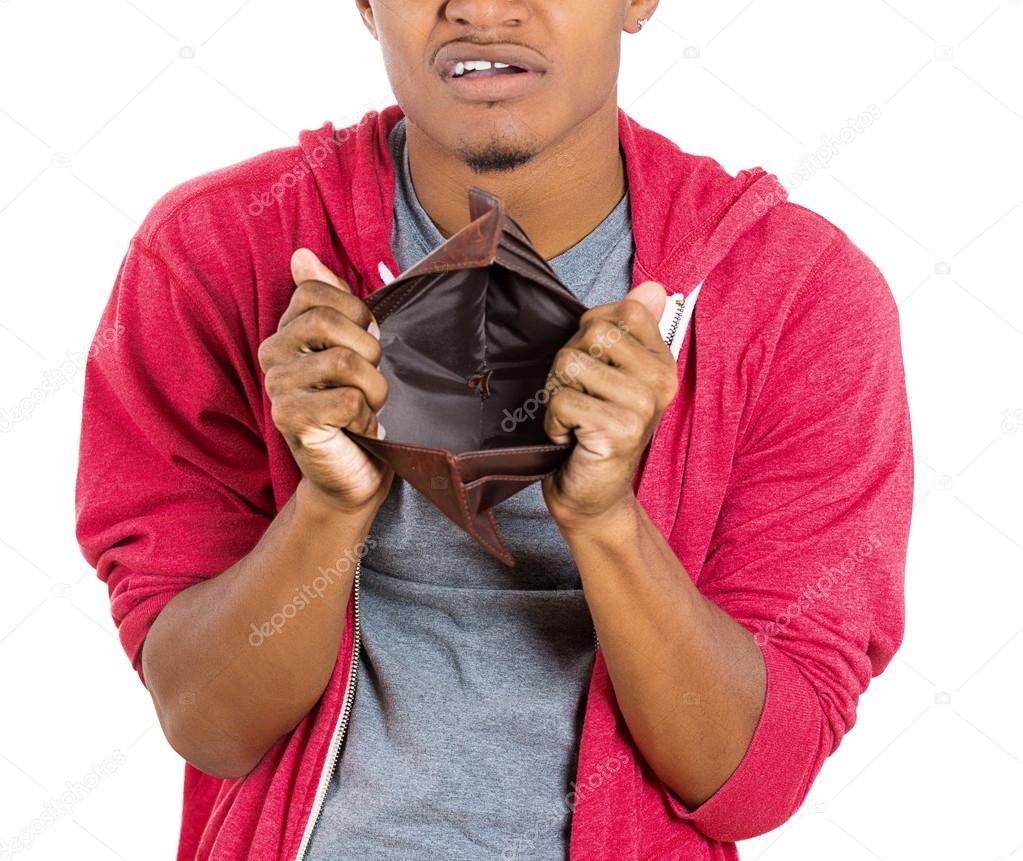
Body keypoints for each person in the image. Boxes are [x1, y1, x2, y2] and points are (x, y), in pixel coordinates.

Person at [74, 1, 914, 859]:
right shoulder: (213, 251)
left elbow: (753, 779)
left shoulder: (799, 298)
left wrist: (604, 523)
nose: (480, 6)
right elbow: (208, 722)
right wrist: (327, 503)